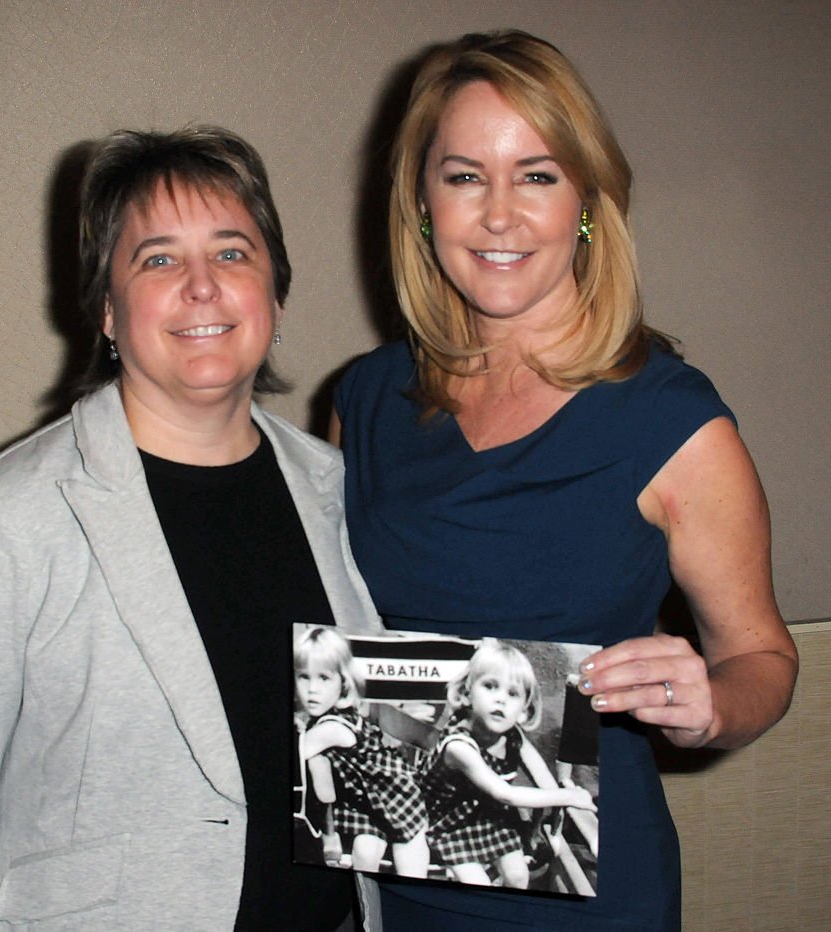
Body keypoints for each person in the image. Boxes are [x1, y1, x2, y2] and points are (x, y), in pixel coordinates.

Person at [332, 30, 797, 930]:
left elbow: (763, 660)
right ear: (422, 202)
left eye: (537, 175)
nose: (499, 214)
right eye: (464, 176)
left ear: (587, 200)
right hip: (385, 878)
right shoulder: (366, 398)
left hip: (586, 894)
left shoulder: (673, 420)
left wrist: (710, 706)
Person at [0, 126, 383, 931]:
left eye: (232, 254)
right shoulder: (3, 520)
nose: (202, 287)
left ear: (277, 296)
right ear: (107, 311)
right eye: (158, 259)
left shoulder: (328, 484)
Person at [421, 638, 596, 889]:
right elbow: (506, 794)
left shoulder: (514, 736)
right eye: (490, 687)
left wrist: (564, 794)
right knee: (476, 883)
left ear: (523, 710)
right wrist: (567, 797)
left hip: (490, 817)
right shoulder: (459, 746)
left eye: (512, 694)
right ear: (466, 694)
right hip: (451, 825)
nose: (500, 700)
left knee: (518, 876)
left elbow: (543, 777)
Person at [294, 625, 430, 878]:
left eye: (323, 678)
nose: (312, 689)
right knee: (365, 852)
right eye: (304, 677)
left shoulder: (331, 727)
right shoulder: (333, 714)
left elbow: (294, 756)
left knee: (410, 863)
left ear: (343, 683)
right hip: (363, 801)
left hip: (395, 796)